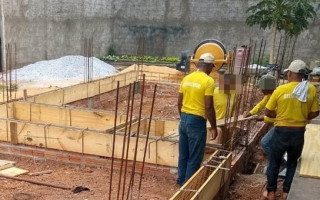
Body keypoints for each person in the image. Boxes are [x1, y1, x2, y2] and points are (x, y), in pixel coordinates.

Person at [264, 60, 319, 200]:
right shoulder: (310, 89)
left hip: (281, 131)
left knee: (274, 163)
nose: (287, 74)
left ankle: (270, 192)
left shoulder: (281, 90)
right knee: (292, 163)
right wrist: (302, 116)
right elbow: (315, 112)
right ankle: (286, 193)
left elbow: (268, 112)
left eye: (288, 72)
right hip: (298, 132)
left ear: (291, 73)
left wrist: (282, 115)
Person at [177, 53, 218, 185]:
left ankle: (181, 180)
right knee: (195, 156)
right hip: (197, 121)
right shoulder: (208, 81)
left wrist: (183, 118)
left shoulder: (186, 78)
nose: (212, 70)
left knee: (184, 154)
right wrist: (214, 127)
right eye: (212, 67)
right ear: (209, 66)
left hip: (184, 118)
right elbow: (209, 106)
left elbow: (179, 102)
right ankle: (188, 187)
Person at [243, 74, 286, 171]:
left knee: (266, 143)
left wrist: (264, 118)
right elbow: (261, 104)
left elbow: (280, 117)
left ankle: (280, 163)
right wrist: (250, 113)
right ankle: (276, 164)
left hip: (283, 125)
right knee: (271, 144)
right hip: (280, 124)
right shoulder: (270, 95)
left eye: (262, 88)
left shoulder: (277, 96)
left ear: (267, 88)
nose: (261, 91)